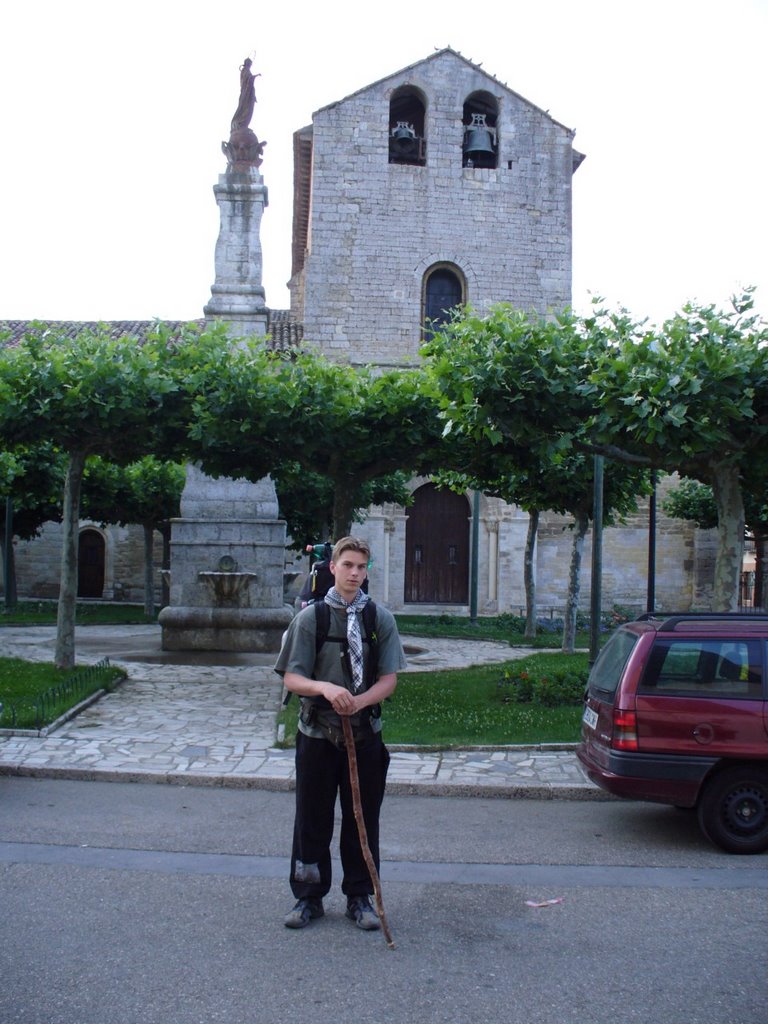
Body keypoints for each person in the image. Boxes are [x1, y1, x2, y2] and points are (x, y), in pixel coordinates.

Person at [275, 536, 407, 931]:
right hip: (317, 734)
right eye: (347, 565)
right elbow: (293, 677)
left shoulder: (378, 619)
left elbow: (389, 679)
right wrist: (327, 689)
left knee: (362, 818)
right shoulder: (310, 619)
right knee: (311, 818)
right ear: (332, 567)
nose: (354, 574)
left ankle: (360, 897)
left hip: (365, 735)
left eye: (361, 567)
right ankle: (308, 897)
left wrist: (361, 701)